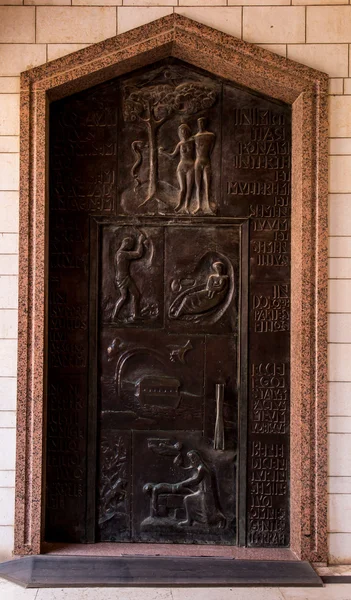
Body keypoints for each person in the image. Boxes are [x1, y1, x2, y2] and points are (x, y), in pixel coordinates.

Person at [159, 124, 195, 213]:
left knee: (190, 188)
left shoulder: (193, 141)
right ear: (179, 133)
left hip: (191, 166)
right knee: (183, 188)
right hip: (181, 167)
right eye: (181, 131)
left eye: (185, 131)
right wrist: (162, 152)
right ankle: (180, 204)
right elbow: (172, 156)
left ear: (188, 132)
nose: (183, 133)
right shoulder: (180, 144)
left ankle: (187, 206)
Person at [112, 232, 145, 321]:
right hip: (123, 278)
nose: (131, 247)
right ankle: (114, 316)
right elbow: (138, 254)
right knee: (124, 297)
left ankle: (136, 315)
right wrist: (140, 242)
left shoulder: (119, 253)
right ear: (126, 244)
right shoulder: (122, 254)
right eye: (131, 245)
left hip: (124, 277)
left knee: (135, 295)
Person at [194, 117, 215, 214]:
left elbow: (211, 149)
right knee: (198, 185)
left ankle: (208, 205)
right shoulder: (195, 137)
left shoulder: (210, 135)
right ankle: (198, 206)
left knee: (207, 185)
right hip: (198, 162)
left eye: (202, 122)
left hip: (206, 161)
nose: (200, 124)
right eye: (199, 122)